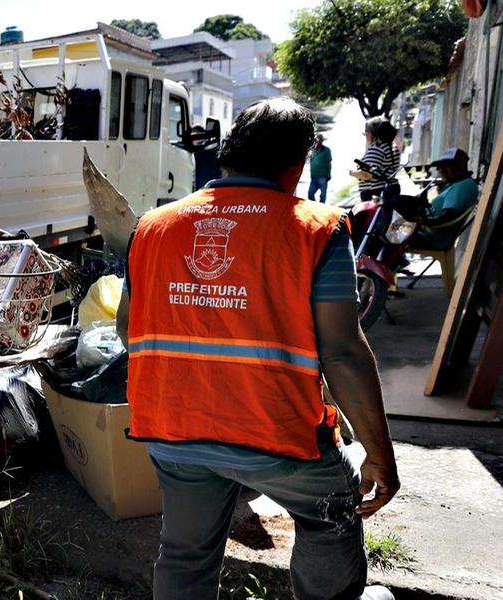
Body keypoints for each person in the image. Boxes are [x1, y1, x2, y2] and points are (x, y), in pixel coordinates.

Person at [116, 97, 399, 600]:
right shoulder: (318, 228)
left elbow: (126, 329)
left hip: (172, 430)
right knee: (328, 520)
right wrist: (380, 456)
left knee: (184, 552)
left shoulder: (151, 226)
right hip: (277, 435)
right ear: (297, 167)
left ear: (227, 156)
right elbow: (342, 353)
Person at [410, 148, 478, 252]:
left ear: (461, 166)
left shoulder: (460, 186)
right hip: (430, 232)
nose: (441, 170)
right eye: (439, 167)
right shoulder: (461, 184)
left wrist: (425, 222)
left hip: (432, 237)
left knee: (388, 238)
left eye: (447, 166)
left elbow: (449, 216)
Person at [354, 116, 400, 201]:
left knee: (377, 210)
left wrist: (352, 173)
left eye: (366, 131)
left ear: (373, 133)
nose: (365, 134)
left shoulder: (377, 149)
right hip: (391, 187)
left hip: (375, 192)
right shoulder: (392, 147)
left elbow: (367, 174)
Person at [308, 134, 333, 202]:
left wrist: (329, 174)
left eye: (320, 140)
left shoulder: (326, 150)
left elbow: (329, 163)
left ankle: (321, 207)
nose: (318, 141)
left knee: (322, 196)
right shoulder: (312, 151)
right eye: (316, 140)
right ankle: (315, 206)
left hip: (323, 176)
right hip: (314, 176)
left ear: (322, 141)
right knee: (310, 194)